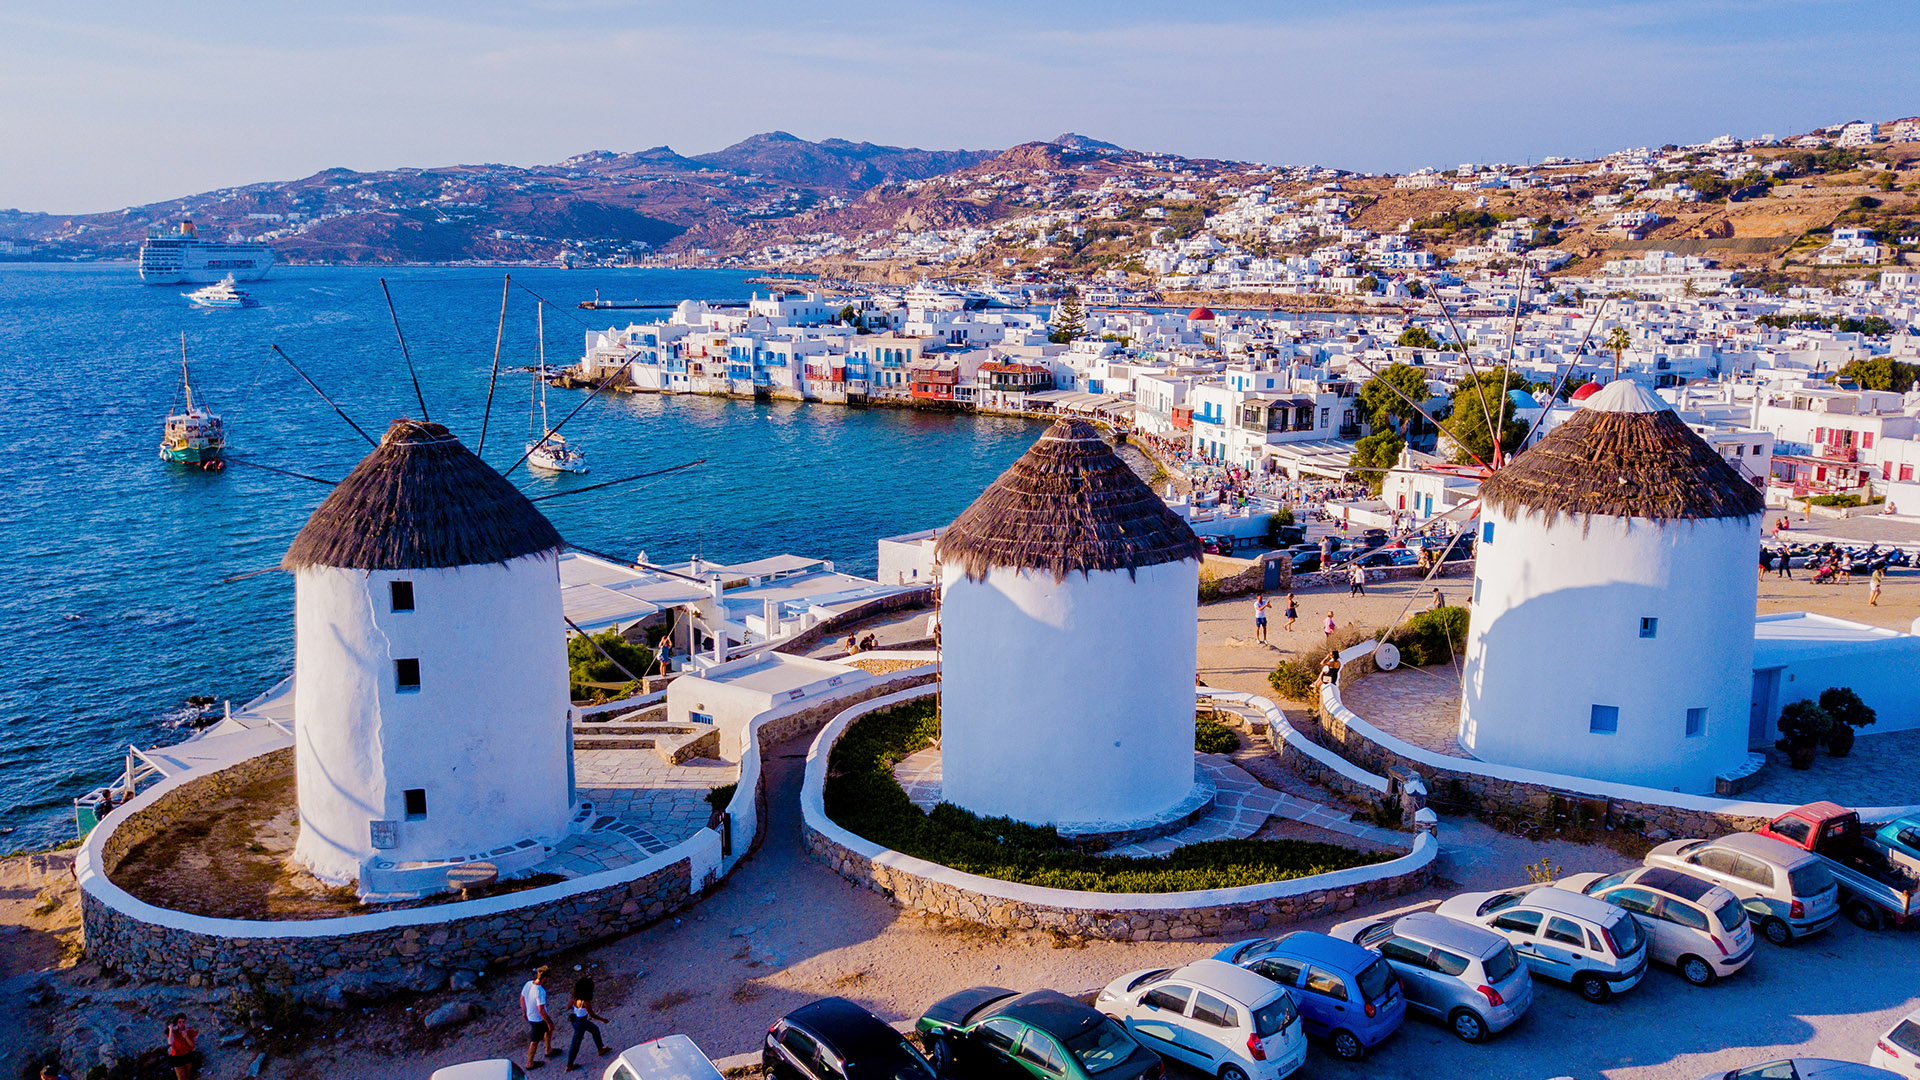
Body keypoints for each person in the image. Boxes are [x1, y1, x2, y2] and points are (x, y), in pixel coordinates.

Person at [564, 975, 611, 1070]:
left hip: (577, 1020)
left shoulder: (574, 998)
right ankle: (569, 1064)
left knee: (594, 1030)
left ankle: (600, 1048)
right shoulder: (586, 1002)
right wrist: (603, 1019)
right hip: (582, 1022)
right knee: (576, 1043)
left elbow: (568, 1006)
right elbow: (592, 1014)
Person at [524, 965, 555, 1070]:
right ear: (545, 978)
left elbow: (522, 998)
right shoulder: (540, 991)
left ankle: (548, 1049)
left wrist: (524, 1012)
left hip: (531, 1015)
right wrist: (549, 1022)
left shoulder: (528, 984)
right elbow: (541, 1009)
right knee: (535, 1040)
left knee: (547, 1031)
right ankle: (530, 1063)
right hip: (537, 1019)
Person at [165, 1015, 198, 1080]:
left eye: (183, 1022)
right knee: (181, 1078)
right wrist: (171, 1029)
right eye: (179, 1022)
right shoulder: (173, 1032)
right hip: (177, 1057)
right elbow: (170, 1042)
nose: (182, 1024)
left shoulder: (189, 1031)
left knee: (187, 1076)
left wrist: (186, 1037)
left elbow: (192, 1045)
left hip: (187, 1054)